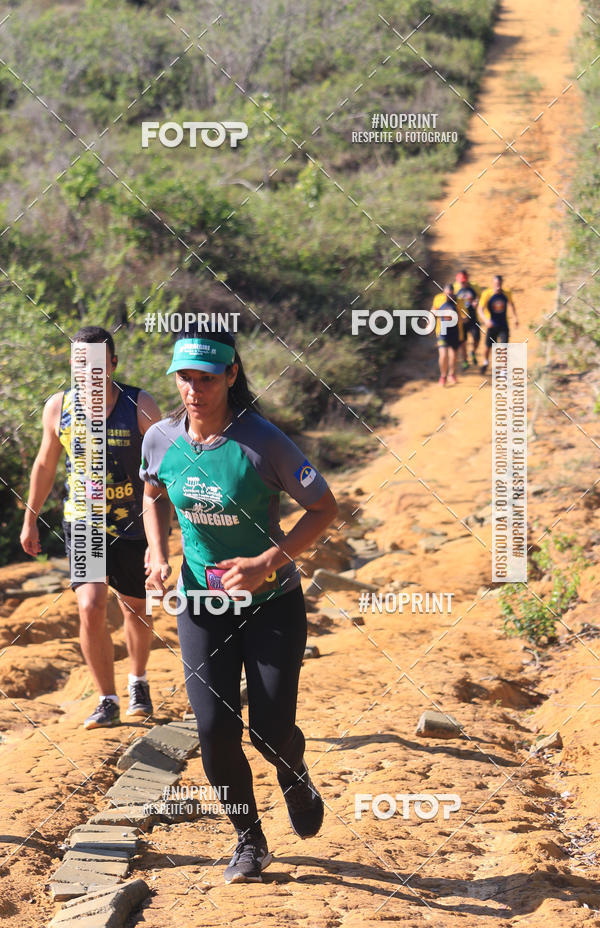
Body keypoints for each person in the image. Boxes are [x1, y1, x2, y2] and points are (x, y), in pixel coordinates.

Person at [141, 328, 338, 884]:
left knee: (269, 731)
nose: (194, 391)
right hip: (200, 603)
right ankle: (249, 840)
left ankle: (293, 771)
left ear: (231, 375)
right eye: (184, 379)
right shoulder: (160, 438)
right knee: (214, 730)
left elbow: (324, 507)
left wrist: (265, 563)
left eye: (206, 379)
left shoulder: (263, 442)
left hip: (271, 603)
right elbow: (152, 494)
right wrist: (157, 551)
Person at [20, 326, 161, 729]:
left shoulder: (139, 404)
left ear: (112, 363)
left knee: (135, 608)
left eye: (96, 363)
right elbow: (45, 464)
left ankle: (138, 681)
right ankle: (107, 699)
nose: (88, 370)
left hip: (133, 524)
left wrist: (164, 537)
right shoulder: (58, 407)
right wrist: (30, 518)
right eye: (80, 363)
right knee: (90, 605)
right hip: (84, 523)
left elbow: (165, 468)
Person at [478, 275, 519, 373]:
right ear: (493, 283)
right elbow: (480, 309)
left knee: (504, 347)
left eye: (499, 283)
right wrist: (486, 320)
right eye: (496, 284)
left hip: (503, 325)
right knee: (488, 346)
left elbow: (511, 304)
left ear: (502, 283)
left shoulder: (506, 293)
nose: (498, 285)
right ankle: (485, 362)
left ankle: (503, 370)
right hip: (492, 325)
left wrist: (515, 318)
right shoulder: (487, 294)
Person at [431, 283, 464, 386]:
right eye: (447, 294)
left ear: (453, 293)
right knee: (443, 355)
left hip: (455, 331)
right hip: (442, 331)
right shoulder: (438, 299)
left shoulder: (459, 301)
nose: (449, 296)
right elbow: (433, 311)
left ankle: (452, 374)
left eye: (451, 294)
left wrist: (456, 316)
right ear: (444, 292)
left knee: (453, 356)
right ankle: (443, 376)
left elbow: (464, 317)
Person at [454, 269, 481, 368]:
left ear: (467, 279)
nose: (463, 283)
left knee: (477, 338)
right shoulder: (455, 288)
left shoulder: (474, 286)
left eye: (464, 281)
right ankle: (465, 360)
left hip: (473, 318)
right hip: (461, 320)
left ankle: (473, 352)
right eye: (461, 282)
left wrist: (476, 302)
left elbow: (479, 297)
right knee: (463, 341)